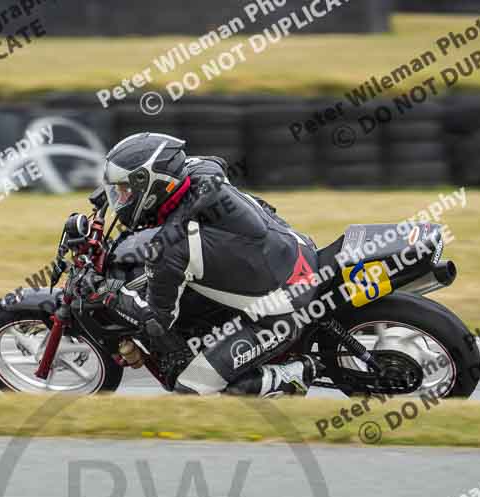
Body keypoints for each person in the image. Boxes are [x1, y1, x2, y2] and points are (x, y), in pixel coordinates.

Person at [95, 132, 323, 397]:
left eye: (125, 191)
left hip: (283, 309)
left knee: (191, 389)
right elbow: (215, 162)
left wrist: (108, 294)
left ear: (150, 187)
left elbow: (158, 321)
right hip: (296, 251)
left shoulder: (170, 248)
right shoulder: (199, 173)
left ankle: (295, 375)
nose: (120, 199)